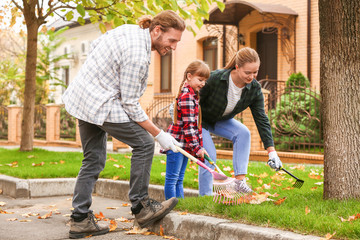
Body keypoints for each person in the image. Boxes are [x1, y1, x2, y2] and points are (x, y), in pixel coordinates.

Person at [62, 10, 185, 239]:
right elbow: (130, 104)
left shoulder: (130, 30)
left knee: (93, 159)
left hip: (83, 97)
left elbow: (96, 45)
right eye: (172, 40)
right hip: (101, 103)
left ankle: (79, 220)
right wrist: (160, 134)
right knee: (146, 144)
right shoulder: (137, 54)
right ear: (157, 30)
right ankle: (141, 207)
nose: (174, 46)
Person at [198, 47, 283, 196]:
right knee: (209, 153)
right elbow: (194, 99)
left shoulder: (254, 89)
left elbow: (261, 119)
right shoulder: (216, 79)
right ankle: (205, 195)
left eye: (255, 72)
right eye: (247, 72)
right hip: (200, 120)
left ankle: (239, 183)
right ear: (237, 67)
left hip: (220, 120)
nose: (252, 76)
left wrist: (272, 152)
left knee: (243, 133)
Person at [163, 60, 210, 200]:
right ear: (189, 76)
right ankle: (170, 209)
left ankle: (180, 208)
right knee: (172, 178)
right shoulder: (188, 97)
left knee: (179, 178)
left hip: (183, 145)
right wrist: (197, 148)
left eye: (205, 80)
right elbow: (189, 127)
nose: (203, 83)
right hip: (176, 145)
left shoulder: (192, 95)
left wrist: (197, 146)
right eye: (200, 79)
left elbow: (192, 126)